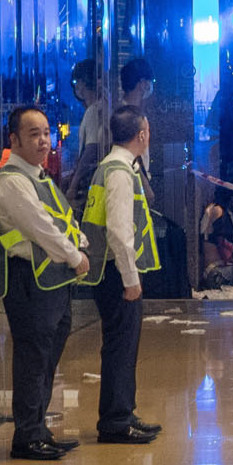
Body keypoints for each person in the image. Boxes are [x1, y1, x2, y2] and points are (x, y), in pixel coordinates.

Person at [0, 105, 90, 461]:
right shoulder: (12, 181)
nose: (44, 140)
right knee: (33, 358)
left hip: (50, 281)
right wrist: (75, 257)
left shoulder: (40, 176)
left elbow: (61, 221)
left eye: (47, 133)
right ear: (13, 140)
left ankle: (38, 429)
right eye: (34, 134)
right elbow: (40, 227)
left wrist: (79, 244)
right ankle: (27, 436)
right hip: (28, 281)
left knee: (46, 357)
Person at [82, 105, 163, 445]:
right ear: (141, 134)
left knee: (125, 346)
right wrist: (131, 278)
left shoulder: (118, 166)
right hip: (115, 273)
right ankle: (116, 420)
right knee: (120, 346)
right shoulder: (118, 170)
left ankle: (124, 412)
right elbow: (118, 230)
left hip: (112, 270)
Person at [65, 58, 111, 207]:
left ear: (82, 83)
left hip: (89, 181)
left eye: (76, 82)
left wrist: (74, 184)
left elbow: (91, 149)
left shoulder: (93, 111)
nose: (76, 88)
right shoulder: (103, 106)